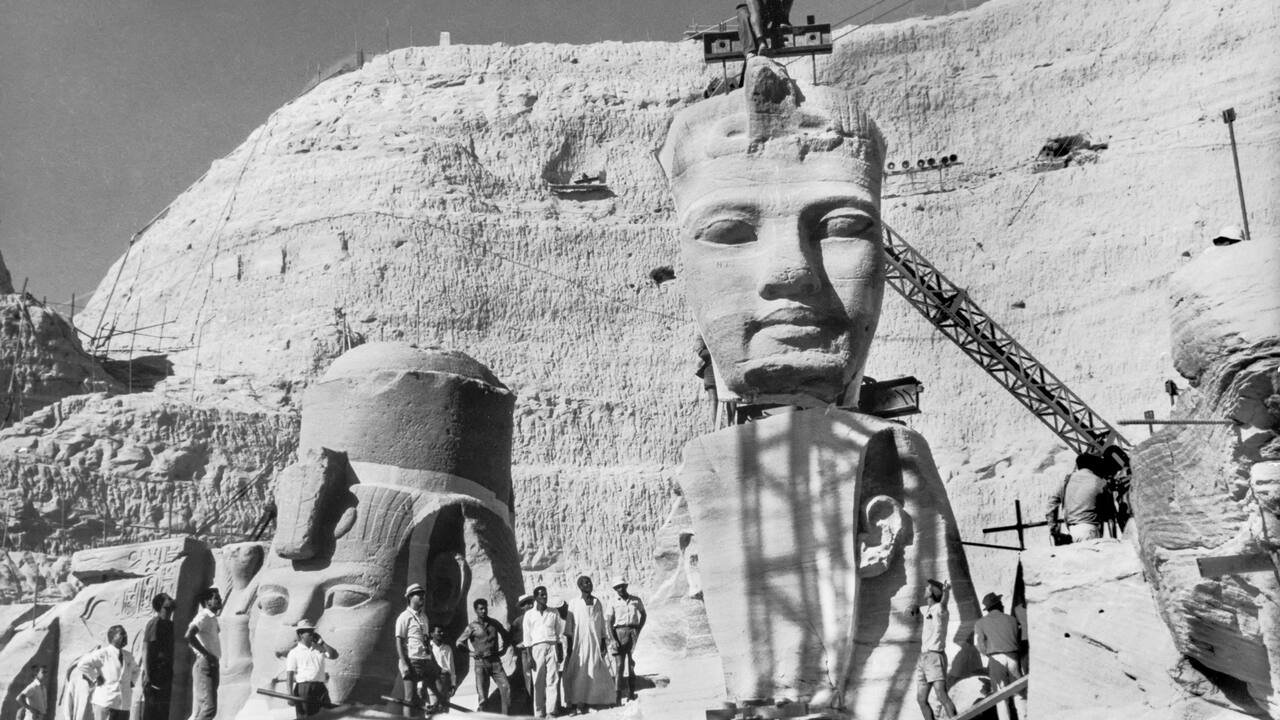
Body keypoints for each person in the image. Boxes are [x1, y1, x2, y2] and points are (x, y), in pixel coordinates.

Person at [563, 576, 615, 713]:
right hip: (578, 644)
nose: (589, 584)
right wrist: (569, 648)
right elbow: (569, 627)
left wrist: (603, 642)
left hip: (595, 642)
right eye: (586, 582)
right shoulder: (574, 603)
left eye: (590, 582)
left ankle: (592, 701)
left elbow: (601, 625)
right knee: (580, 673)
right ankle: (577, 703)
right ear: (580, 586)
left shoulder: (597, 602)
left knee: (594, 670)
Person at [973, 593, 1026, 720]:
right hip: (1013, 656)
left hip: (996, 658)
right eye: (1001, 603)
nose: (1002, 605)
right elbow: (1018, 639)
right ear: (998, 605)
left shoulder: (980, 623)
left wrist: (987, 654)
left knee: (1001, 696)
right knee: (1019, 693)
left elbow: (978, 643)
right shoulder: (1012, 620)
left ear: (988, 608)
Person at [456, 597, 513, 714]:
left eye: (485, 608)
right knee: (482, 697)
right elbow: (459, 642)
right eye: (481, 609)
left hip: (495, 662)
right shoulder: (472, 627)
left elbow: (506, 636)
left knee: (506, 687)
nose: (484, 611)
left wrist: (503, 650)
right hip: (480, 663)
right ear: (475, 611)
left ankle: (505, 717)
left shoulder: (494, 623)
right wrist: (470, 653)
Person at [1047, 453, 1115, 542]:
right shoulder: (1100, 482)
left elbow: (1051, 503)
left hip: (1071, 533)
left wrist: (1054, 530)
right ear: (1093, 466)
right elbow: (1110, 516)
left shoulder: (1066, 481)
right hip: (1091, 532)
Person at [914, 579, 956, 720]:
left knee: (941, 694)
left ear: (932, 592)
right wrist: (913, 609)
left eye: (927, 588)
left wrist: (946, 591)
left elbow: (944, 604)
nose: (925, 589)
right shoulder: (928, 610)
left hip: (934, 656)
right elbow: (918, 611)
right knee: (921, 699)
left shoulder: (939, 608)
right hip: (924, 658)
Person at [395, 583, 440, 712]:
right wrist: (404, 663)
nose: (422, 597)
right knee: (410, 698)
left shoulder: (424, 617)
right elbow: (399, 640)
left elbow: (426, 640)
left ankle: (433, 714)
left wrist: (434, 661)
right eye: (418, 594)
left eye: (423, 594)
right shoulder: (404, 617)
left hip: (426, 659)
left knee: (438, 689)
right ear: (410, 597)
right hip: (412, 660)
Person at [521, 586, 565, 718]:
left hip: (552, 646)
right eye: (541, 595)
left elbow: (559, 633)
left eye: (545, 595)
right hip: (536, 649)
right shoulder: (529, 615)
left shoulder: (554, 612)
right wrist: (530, 657)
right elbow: (527, 637)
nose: (544, 597)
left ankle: (551, 711)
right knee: (538, 681)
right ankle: (539, 712)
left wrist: (560, 650)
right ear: (535, 598)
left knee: (553, 679)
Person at [83, 625, 139, 720]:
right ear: (113, 637)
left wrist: (132, 682)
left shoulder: (128, 656)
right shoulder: (103, 654)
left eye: (125, 633)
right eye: (122, 634)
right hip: (106, 702)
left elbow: (136, 670)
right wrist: (96, 677)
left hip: (123, 704)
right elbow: (83, 664)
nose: (125, 636)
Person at [284, 621, 339, 718]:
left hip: (320, 687)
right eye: (308, 631)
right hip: (304, 688)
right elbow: (290, 674)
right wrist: (290, 694)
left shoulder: (319, 649)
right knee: (307, 717)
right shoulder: (294, 652)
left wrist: (322, 642)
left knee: (328, 715)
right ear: (301, 634)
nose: (311, 633)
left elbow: (334, 655)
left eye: (312, 631)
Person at [605, 578, 646, 704]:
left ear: (625, 586)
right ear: (615, 589)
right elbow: (609, 622)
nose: (620, 589)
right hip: (619, 633)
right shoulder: (612, 602)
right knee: (619, 666)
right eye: (617, 587)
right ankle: (617, 697)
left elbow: (643, 614)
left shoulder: (635, 600)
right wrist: (613, 639)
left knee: (631, 664)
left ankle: (631, 693)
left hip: (633, 631)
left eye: (622, 586)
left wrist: (638, 628)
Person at [186, 587, 223, 720]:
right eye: (216, 598)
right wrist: (206, 654)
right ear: (208, 602)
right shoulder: (204, 615)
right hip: (205, 663)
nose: (220, 600)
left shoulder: (212, 618)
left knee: (206, 708)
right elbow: (189, 635)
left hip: (212, 663)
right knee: (209, 708)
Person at [137, 593, 174, 720]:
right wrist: (147, 674)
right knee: (152, 711)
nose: (172, 600)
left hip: (166, 672)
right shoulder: (155, 623)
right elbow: (146, 649)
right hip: (155, 672)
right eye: (169, 599)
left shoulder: (171, 624)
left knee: (163, 711)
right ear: (161, 605)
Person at [511, 593, 536, 709]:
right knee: (528, 677)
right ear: (522, 607)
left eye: (531, 602)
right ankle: (530, 704)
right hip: (525, 653)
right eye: (526, 603)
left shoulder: (538, 617)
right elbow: (512, 638)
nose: (530, 605)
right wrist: (520, 645)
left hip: (538, 650)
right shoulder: (517, 621)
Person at [429, 625, 456, 710]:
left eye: (442, 631)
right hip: (433, 680)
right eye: (439, 632)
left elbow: (451, 667)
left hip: (446, 682)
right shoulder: (428, 647)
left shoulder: (447, 648)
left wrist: (453, 684)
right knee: (433, 708)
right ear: (432, 634)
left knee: (444, 710)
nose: (441, 633)